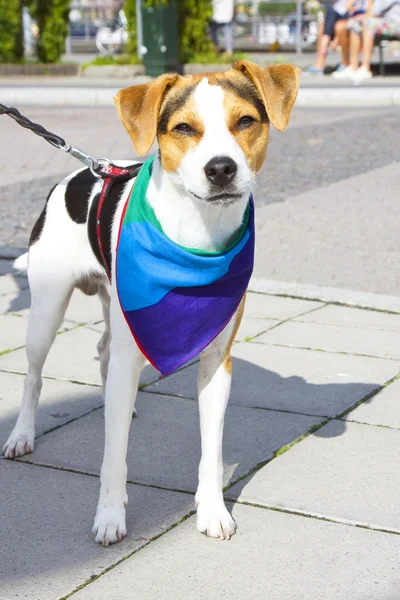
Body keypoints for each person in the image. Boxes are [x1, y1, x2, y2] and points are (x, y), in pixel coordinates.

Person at [336, 0, 400, 80]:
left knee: (368, 23)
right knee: (354, 24)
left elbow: (374, 12)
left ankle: (365, 68)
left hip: (395, 23)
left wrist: (361, 17)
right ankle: (353, 67)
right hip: (386, 21)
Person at [305, 0, 366, 73]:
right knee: (324, 23)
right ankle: (322, 58)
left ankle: (321, 59)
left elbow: (350, 7)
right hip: (341, 14)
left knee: (334, 21)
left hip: (353, 15)